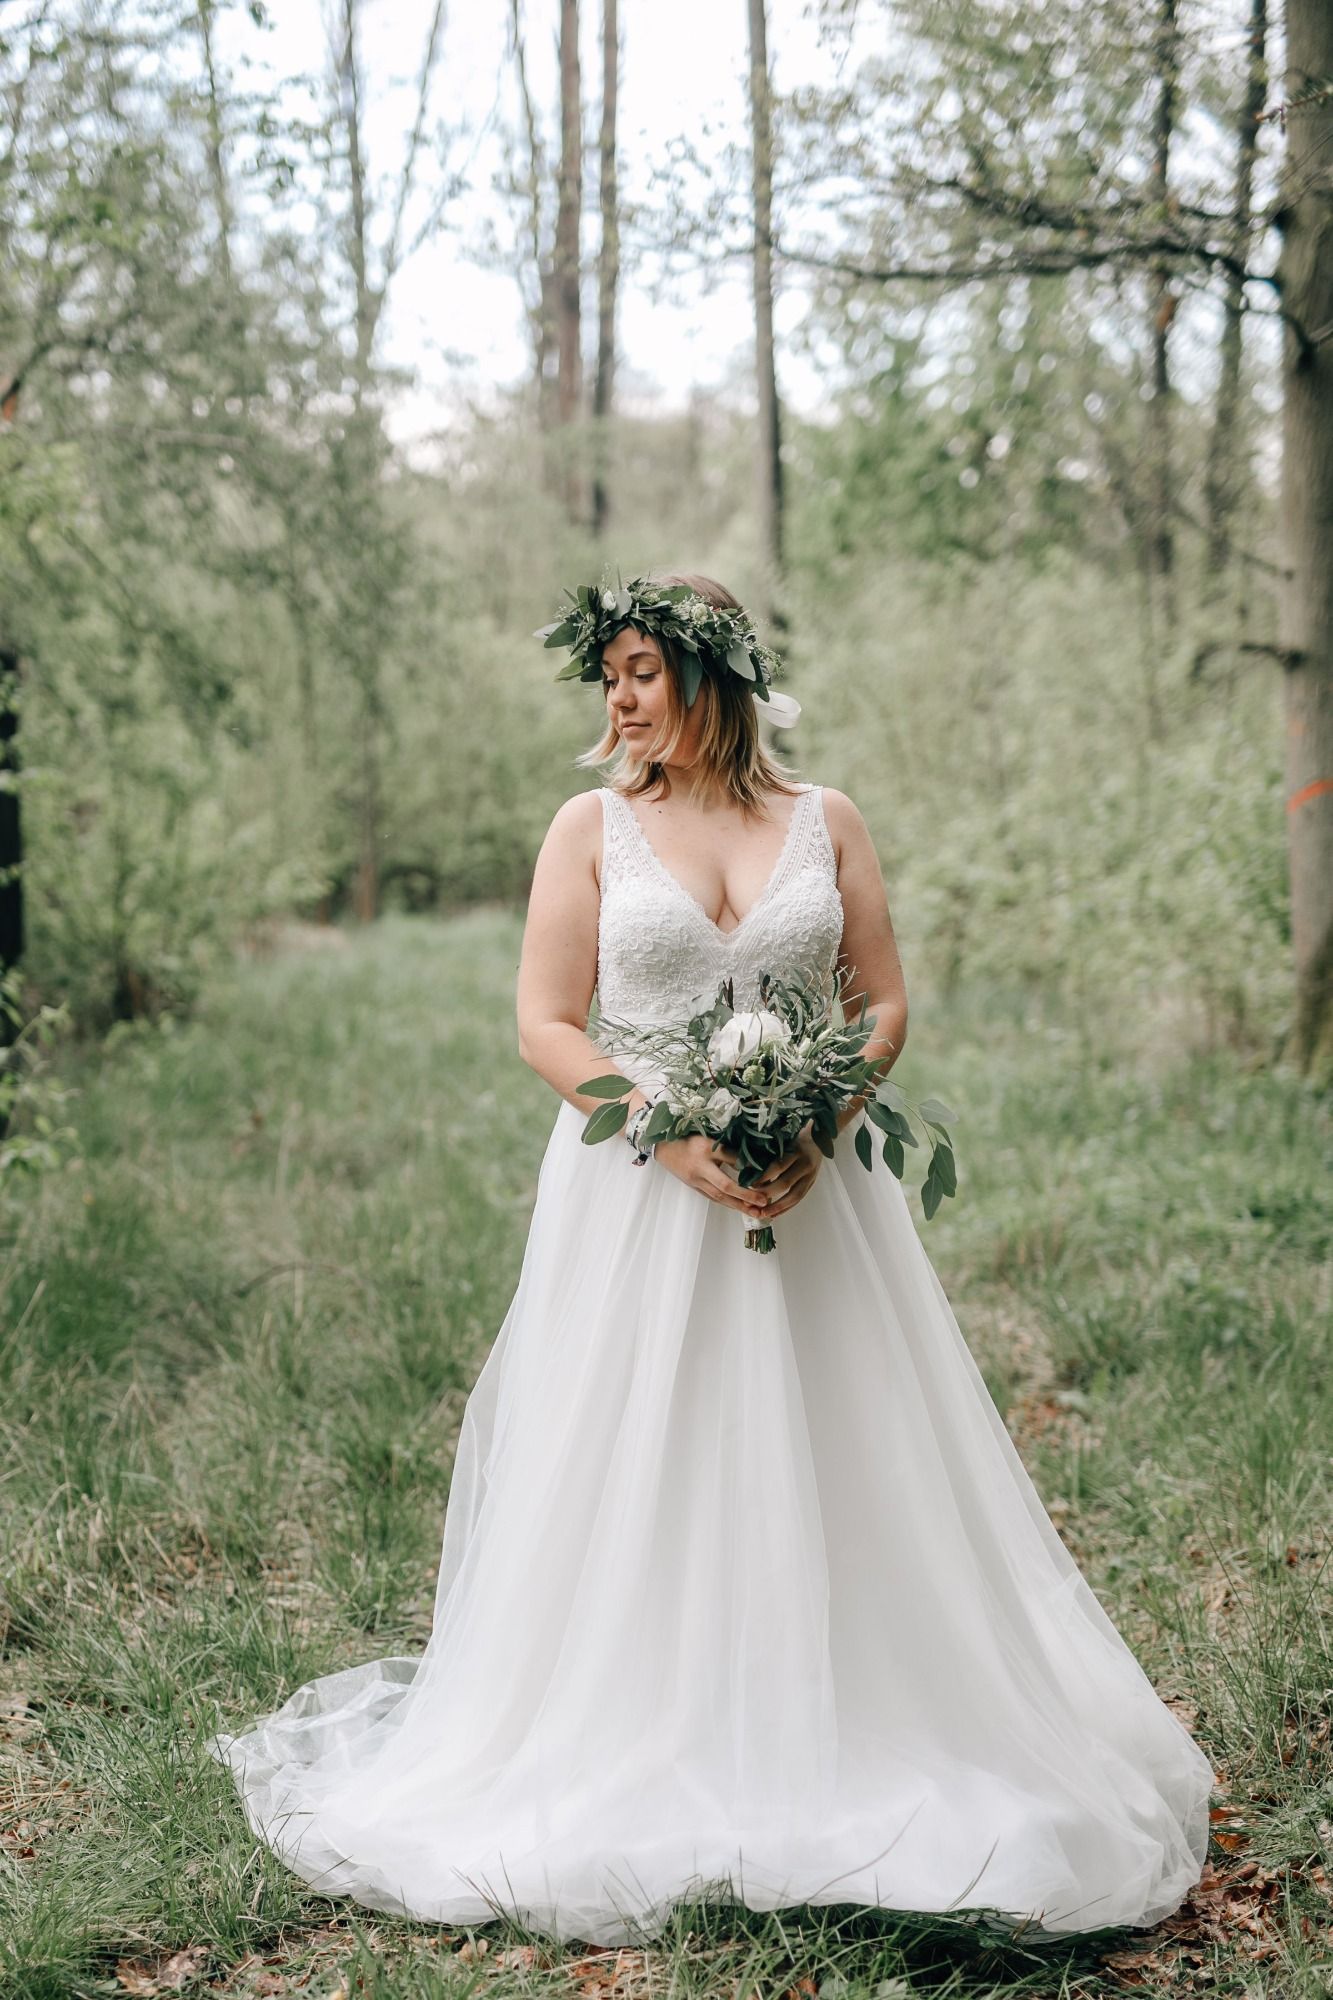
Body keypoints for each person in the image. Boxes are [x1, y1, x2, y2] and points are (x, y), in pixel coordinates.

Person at [208, 569, 1213, 1947]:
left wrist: (822, 1118)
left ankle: (865, 1712)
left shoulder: (826, 820)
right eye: (608, 676)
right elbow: (546, 1021)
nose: (618, 699)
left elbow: (881, 1002)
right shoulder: (589, 829)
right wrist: (666, 1129)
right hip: (636, 1197)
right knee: (643, 1455)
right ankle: (644, 1724)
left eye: (641, 671)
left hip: (817, 1196)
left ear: (713, 673)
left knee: (844, 1446)